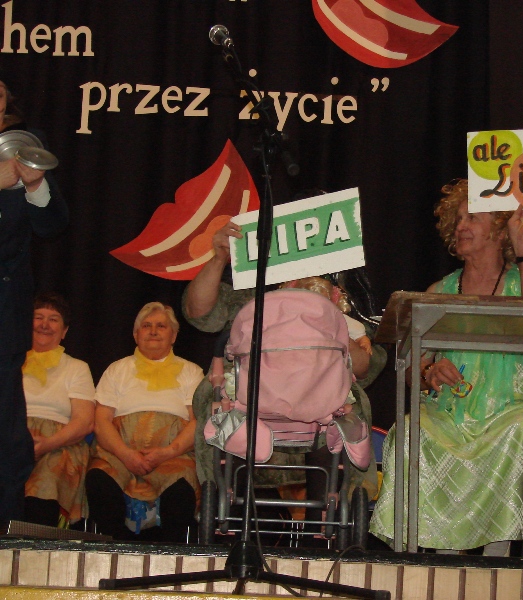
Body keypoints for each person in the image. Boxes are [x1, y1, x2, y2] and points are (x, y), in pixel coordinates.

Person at [369, 178, 523, 556]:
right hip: (450, 411)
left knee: (521, 429)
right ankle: (438, 560)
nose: (461, 226)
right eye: (458, 219)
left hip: (510, 408)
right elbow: (410, 371)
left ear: (499, 229)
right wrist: (428, 373)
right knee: (409, 431)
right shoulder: (439, 291)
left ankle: (495, 560)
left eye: (472, 218)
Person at [182, 207, 386, 542]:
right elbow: (199, 313)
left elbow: (366, 366)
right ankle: (225, 505)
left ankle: (325, 520)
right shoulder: (253, 291)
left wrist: (327, 321)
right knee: (211, 392)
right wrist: (219, 259)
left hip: (318, 409)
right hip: (251, 402)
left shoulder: (339, 300)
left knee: (352, 403)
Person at [0, 72, 69, 522]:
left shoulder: (23, 144)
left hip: (5, 309)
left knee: (7, 434)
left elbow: (53, 225)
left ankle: (5, 531)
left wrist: (34, 185)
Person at [85, 302, 204, 542]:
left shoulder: (192, 372)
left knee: (181, 491)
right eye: (146, 326)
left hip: (173, 456)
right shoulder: (117, 369)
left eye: (161, 326)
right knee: (99, 482)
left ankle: (167, 557)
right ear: (135, 334)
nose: (153, 331)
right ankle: (116, 552)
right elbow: (101, 421)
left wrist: (166, 452)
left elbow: (197, 422)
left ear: (173, 336)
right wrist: (126, 454)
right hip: (118, 454)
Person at [23, 292, 94, 527]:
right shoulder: (10, 363)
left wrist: (46, 444)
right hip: (12, 439)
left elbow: (84, 422)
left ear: (64, 331)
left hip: (60, 445)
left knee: (45, 482)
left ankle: (39, 545)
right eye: (38, 317)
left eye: (53, 319)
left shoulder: (76, 368)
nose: (44, 324)